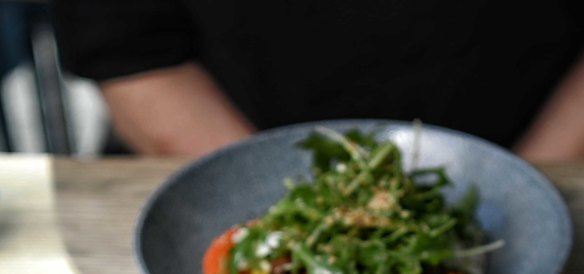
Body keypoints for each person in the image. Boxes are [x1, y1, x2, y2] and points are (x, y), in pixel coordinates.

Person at [52, 0, 584, 162]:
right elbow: (128, 50)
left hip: (540, 154)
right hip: (222, 161)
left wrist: (522, 194)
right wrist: (293, 223)